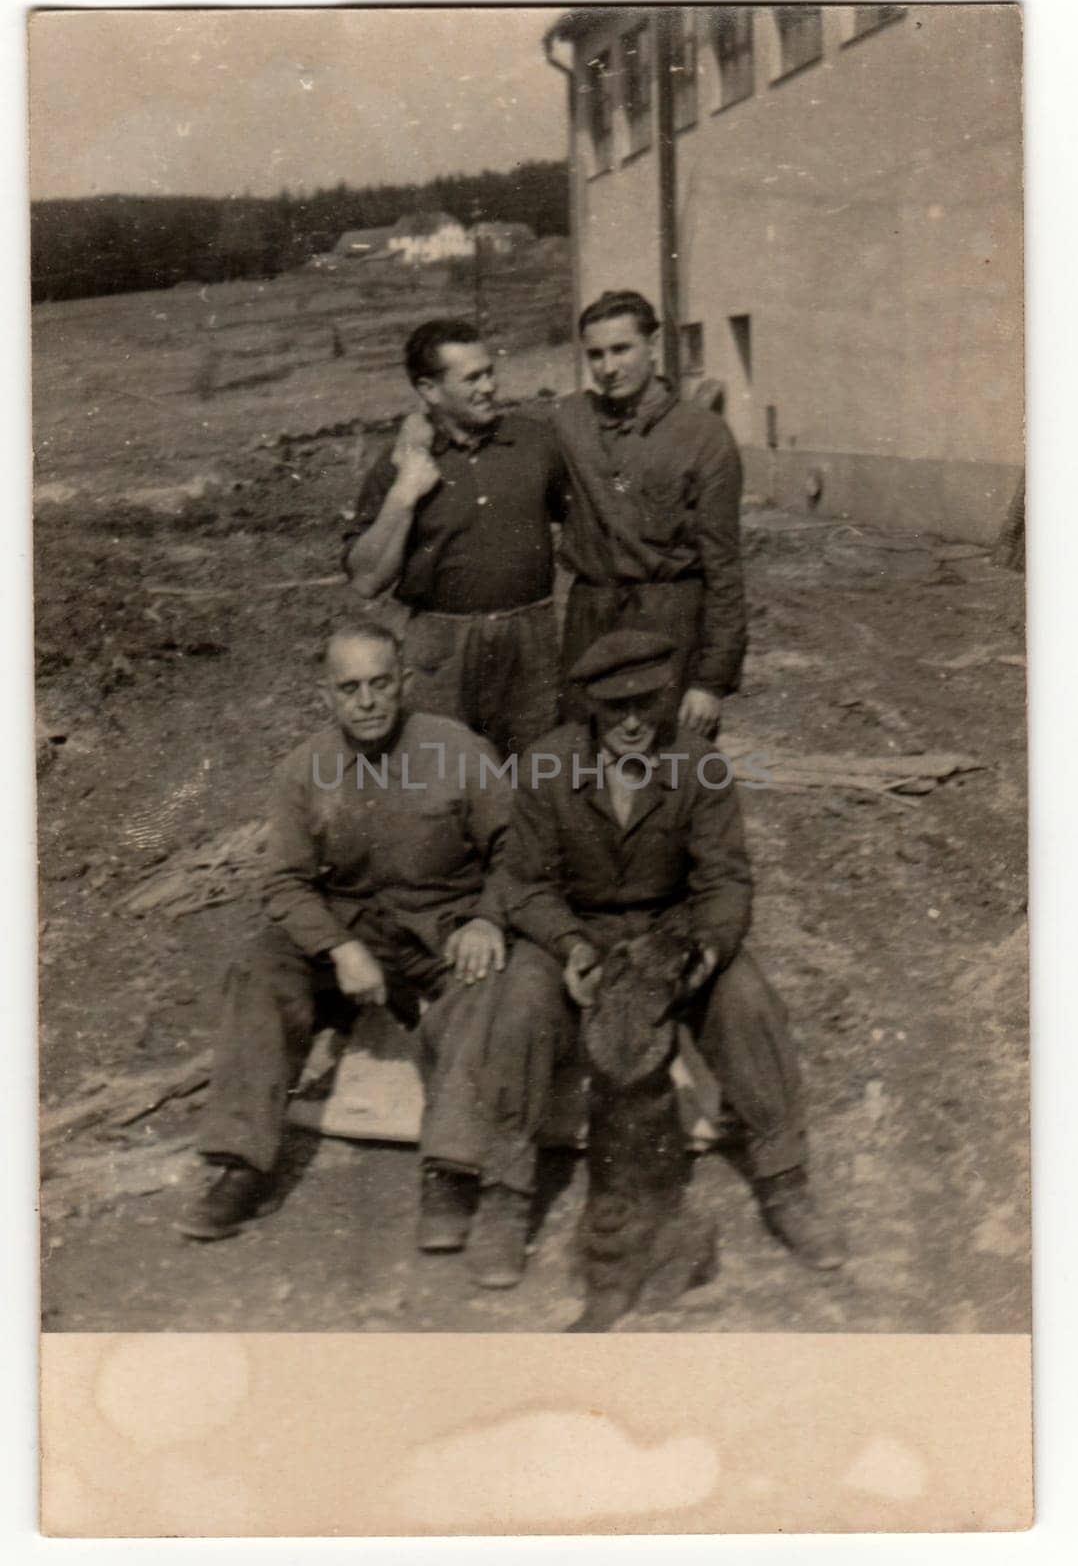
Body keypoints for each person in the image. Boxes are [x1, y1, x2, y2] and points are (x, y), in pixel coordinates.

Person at [419, 628, 845, 1289]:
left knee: (748, 998)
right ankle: (506, 1196)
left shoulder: (700, 764)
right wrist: (570, 946)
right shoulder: (546, 765)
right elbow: (524, 883)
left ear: (667, 698)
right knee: (519, 1003)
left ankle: (785, 1181)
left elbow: (726, 880)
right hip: (576, 928)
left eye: (647, 704)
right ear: (589, 704)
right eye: (615, 708)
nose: (632, 723)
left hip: (670, 934)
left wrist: (705, 948)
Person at [179, 618, 514, 1248]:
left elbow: (516, 851)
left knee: (486, 986)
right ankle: (241, 1162)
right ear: (326, 694)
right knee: (260, 968)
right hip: (350, 933)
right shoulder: (304, 770)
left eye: (380, 684)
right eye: (349, 687)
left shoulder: (458, 751)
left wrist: (486, 920)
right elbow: (284, 881)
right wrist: (338, 946)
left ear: (404, 683)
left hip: (441, 928)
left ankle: (449, 1167)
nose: (366, 702)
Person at [343, 317, 567, 758]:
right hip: (441, 652)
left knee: (537, 774)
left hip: (530, 642)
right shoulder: (399, 465)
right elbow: (366, 579)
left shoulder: (536, 443)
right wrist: (405, 493)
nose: (489, 387)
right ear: (429, 390)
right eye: (472, 378)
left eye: (490, 372)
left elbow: (579, 523)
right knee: (441, 775)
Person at [552, 290, 747, 736]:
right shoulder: (570, 420)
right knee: (583, 761)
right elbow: (506, 433)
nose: (608, 367)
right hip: (591, 618)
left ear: (654, 347)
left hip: (669, 620)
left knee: (668, 766)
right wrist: (419, 421)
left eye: (622, 349)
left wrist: (711, 681)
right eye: (596, 355)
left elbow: (724, 570)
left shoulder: (704, 435)